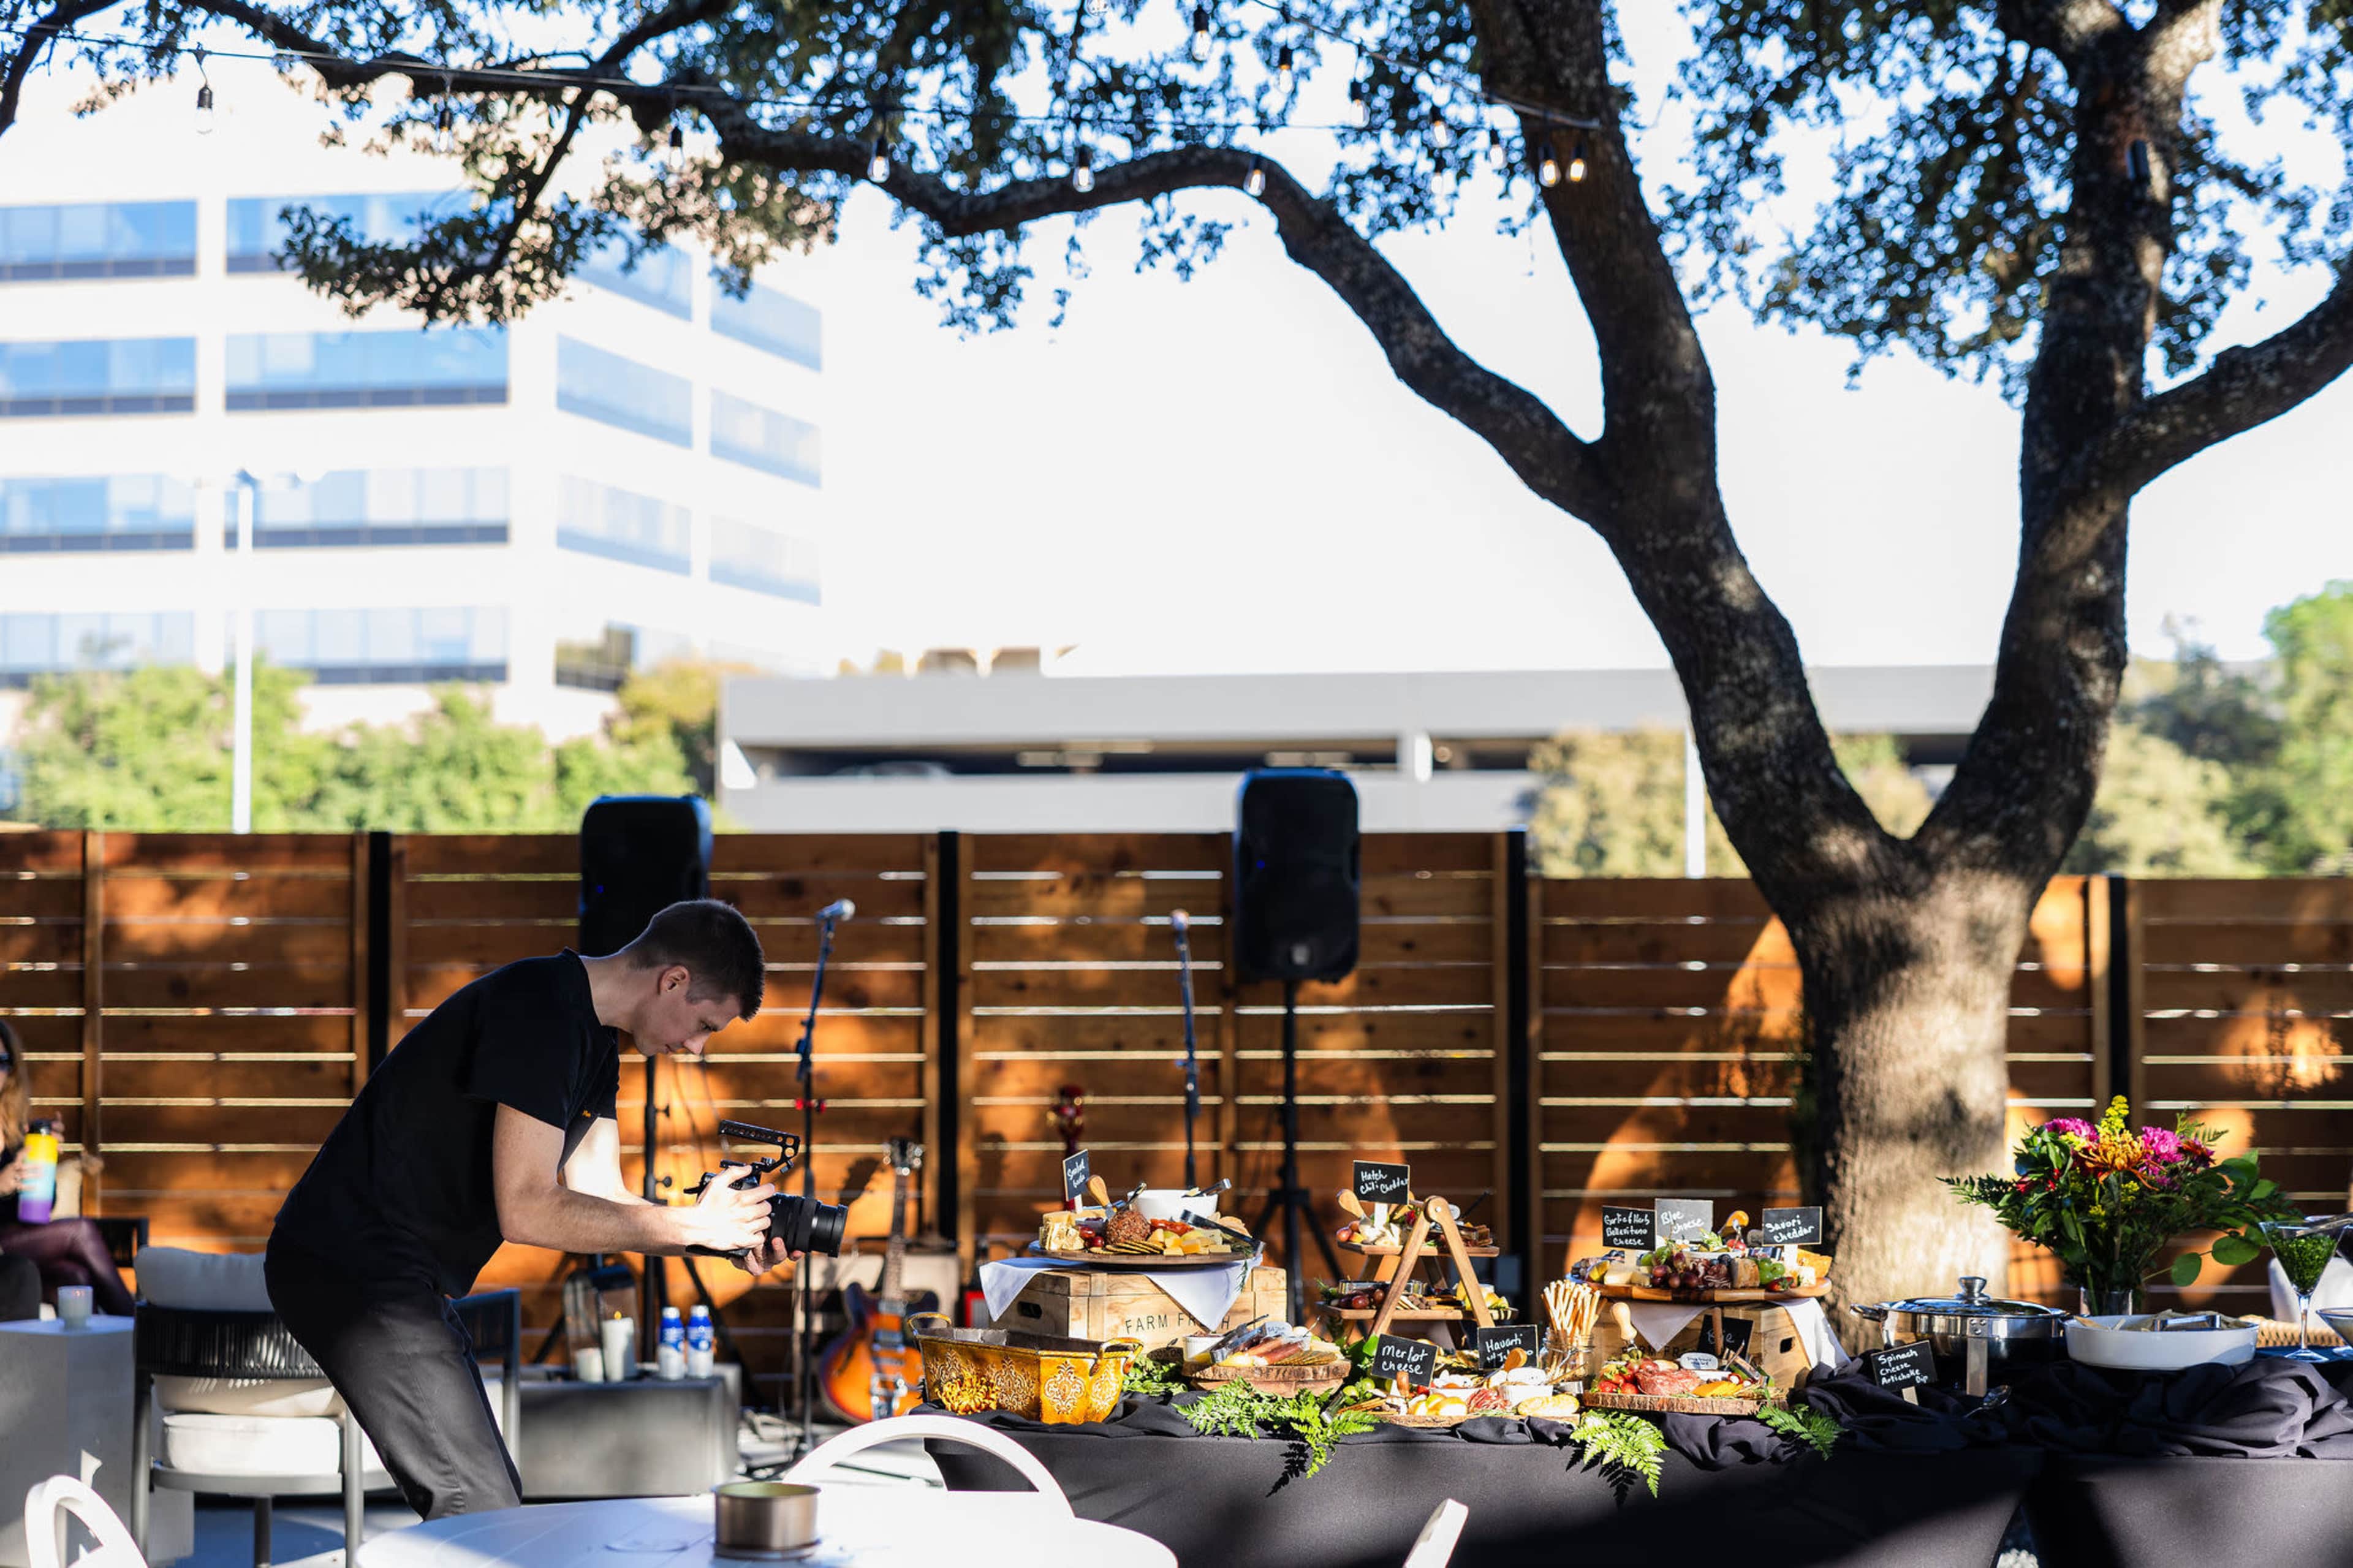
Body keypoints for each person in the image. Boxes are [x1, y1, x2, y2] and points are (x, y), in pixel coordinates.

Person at [267, 899, 794, 1522]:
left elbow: (602, 1194)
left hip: (398, 1275)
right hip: (351, 1264)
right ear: (673, 980)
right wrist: (691, 1225)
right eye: (706, 1025)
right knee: (477, 1502)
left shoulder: (594, 1044)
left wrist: (720, 1238)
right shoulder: (539, 1008)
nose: (697, 1049)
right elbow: (527, 1209)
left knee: (492, 1500)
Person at [0, 1019, 137, 1316]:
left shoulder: (15, 1132)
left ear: (12, 1070)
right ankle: (140, 1330)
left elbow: (40, 1213)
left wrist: (44, 1163)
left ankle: (93, 1357)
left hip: (18, 1246)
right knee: (81, 1230)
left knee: (75, 1277)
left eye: (2, 1062)